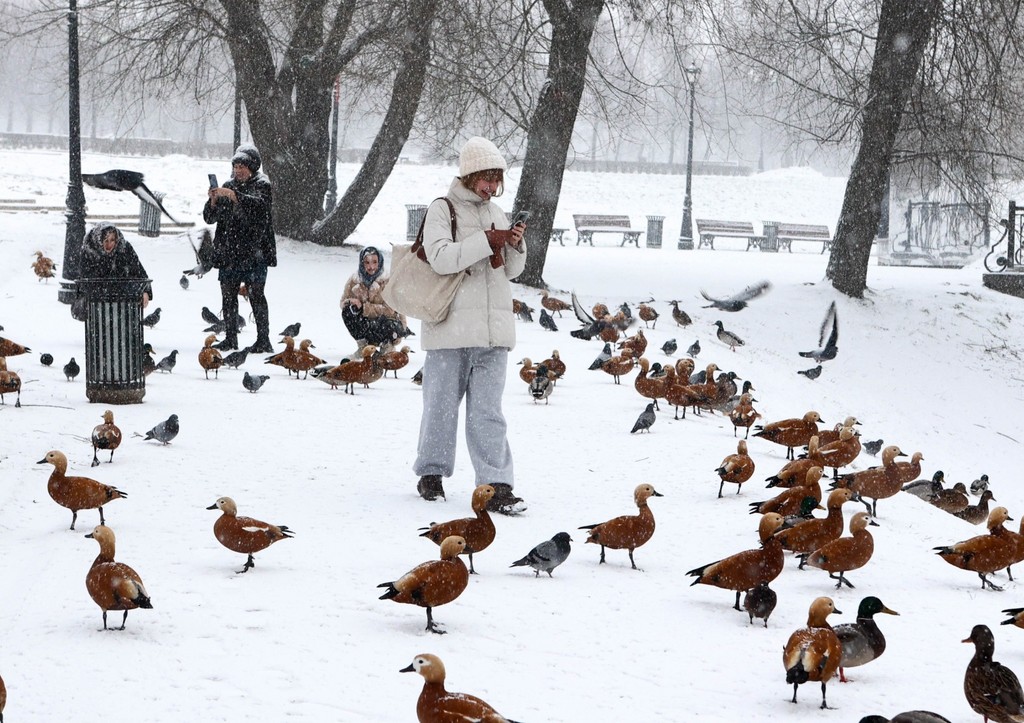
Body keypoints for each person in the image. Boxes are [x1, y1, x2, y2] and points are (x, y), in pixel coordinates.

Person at [412, 136, 528, 515]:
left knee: (489, 412)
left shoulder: (497, 212)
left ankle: (496, 484)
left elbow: (511, 271)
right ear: (470, 174)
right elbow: (441, 258)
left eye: (497, 181)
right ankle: (431, 473)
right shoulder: (442, 209)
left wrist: (513, 244)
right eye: (487, 179)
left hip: (493, 333)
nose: (492, 188)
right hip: (450, 329)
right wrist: (484, 241)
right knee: (441, 407)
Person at [203, 143, 276, 353]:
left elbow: (261, 210)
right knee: (228, 294)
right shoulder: (227, 185)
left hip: (255, 251)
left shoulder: (262, 184)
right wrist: (214, 201)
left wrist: (235, 197)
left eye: (242, 166)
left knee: (256, 294)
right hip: (230, 251)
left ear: (252, 167)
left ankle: (263, 339)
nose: (238, 170)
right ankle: (230, 337)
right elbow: (209, 218)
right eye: (235, 166)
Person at [340, 246, 411, 353]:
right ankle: (363, 347)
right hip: (367, 325)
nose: (371, 266)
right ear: (362, 263)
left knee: (384, 323)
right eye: (367, 262)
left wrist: (364, 308)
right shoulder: (354, 280)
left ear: (380, 262)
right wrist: (350, 302)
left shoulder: (388, 280)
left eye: (374, 262)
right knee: (347, 312)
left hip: (389, 324)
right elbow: (342, 302)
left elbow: (390, 310)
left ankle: (387, 346)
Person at [77, 223, 153, 312]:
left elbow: (139, 272)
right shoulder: (89, 252)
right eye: (105, 240)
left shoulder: (124, 249)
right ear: (98, 240)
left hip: (124, 305)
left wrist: (145, 291)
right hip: (97, 307)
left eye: (112, 240)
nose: (109, 245)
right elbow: (85, 281)